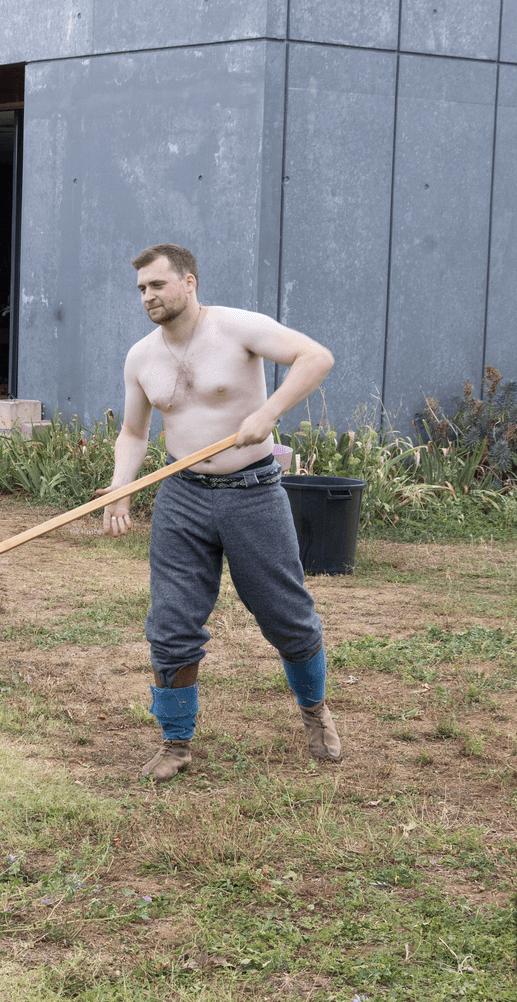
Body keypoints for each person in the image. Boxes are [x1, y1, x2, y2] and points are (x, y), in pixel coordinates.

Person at [100, 243, 339, 782]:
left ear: (189, 282)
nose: (148, 296)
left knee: (286, 615)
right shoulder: (141, 357)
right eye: (141, 289)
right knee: (171, 624)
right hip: (181, 495)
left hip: (253, 492)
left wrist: (269, 411)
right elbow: (134, 432)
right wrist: (120, 489)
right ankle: (175, 742)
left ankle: (315, 711)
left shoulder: (237, 328)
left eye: (157, 284)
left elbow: (316, 357)